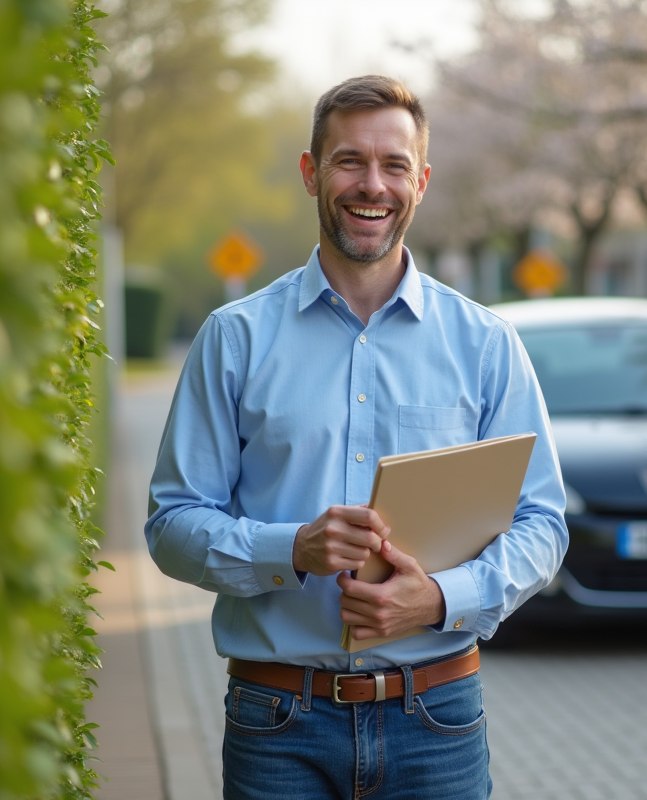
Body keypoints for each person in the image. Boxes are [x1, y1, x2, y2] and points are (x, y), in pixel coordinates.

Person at [145, 75, 567, 800]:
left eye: (394, 165)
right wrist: (291, 549)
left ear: (421, 182)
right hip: (278, 723)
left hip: (437, 721)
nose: (372, 185)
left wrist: (439, 599)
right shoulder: (235, 338)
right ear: (312, 172)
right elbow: (171, 525)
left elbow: (543, 524)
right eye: (349, 161)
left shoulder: (486, 344)